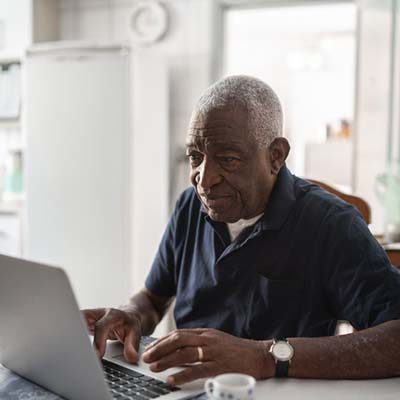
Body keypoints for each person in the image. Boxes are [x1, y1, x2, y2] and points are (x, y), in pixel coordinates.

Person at [84, 75, 400, 385]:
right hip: (185, 388)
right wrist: (131, 316)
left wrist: (265, 357)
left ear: (275, 156)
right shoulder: (189, 207)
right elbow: (153, 300)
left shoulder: (332, 224)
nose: (203, 180)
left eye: (228, 159)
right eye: (195, 156)